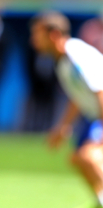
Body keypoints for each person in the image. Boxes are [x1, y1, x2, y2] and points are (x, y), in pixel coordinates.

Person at [30, 11, 103, 207]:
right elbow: (78, 97)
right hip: (94, 116)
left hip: (100, 115)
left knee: (88, 156)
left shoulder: (75, 55)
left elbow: (100, 91)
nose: (33, 40)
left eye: (37, 34)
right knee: (78, 159)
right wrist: (63, 127)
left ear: (53, 35)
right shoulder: (62, 61)